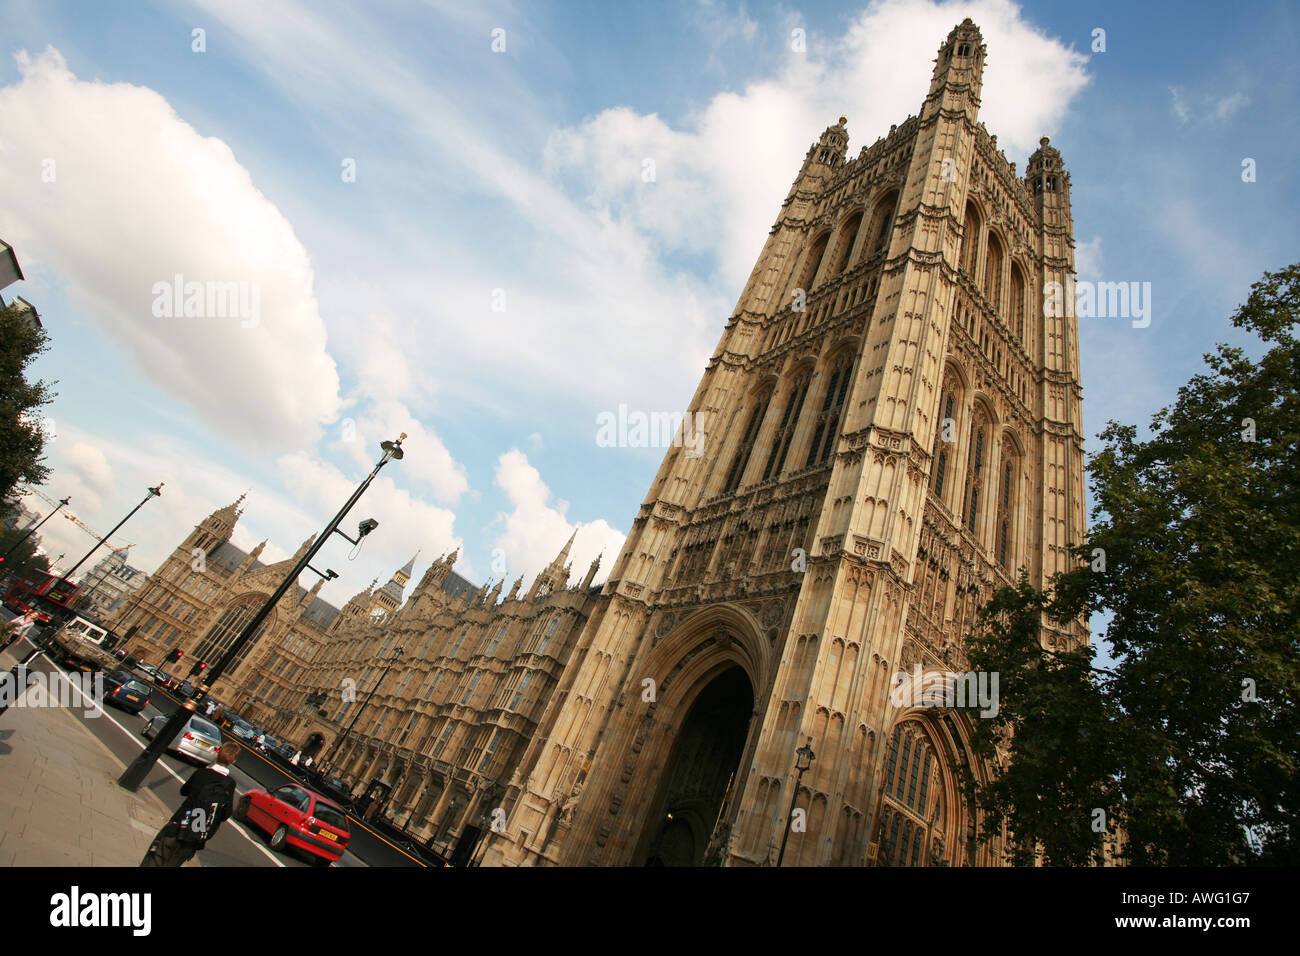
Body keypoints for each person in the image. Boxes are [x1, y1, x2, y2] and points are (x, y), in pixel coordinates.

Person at [140, 741, 241, 867]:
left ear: (217, 755)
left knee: (155, 860)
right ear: (233, 762)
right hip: (195, 833)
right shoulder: (229, 784)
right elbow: (225, 814)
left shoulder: (201, 773)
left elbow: (184, 791)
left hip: (178, 824)